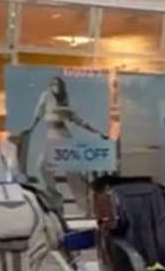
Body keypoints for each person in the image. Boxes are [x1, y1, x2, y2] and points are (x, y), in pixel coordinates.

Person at [18, 76, 108, 214]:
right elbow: (38, 113)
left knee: (72, 173)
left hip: (63, 136)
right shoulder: (46, 96)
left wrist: (97, 132)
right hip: (52, 135)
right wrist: (30, 129)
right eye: (53, 83)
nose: (55, 86)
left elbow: (78, 120)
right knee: (42, 166)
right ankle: (55, 197)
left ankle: (84, 206)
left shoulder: (65, 101)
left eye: (57, 84)